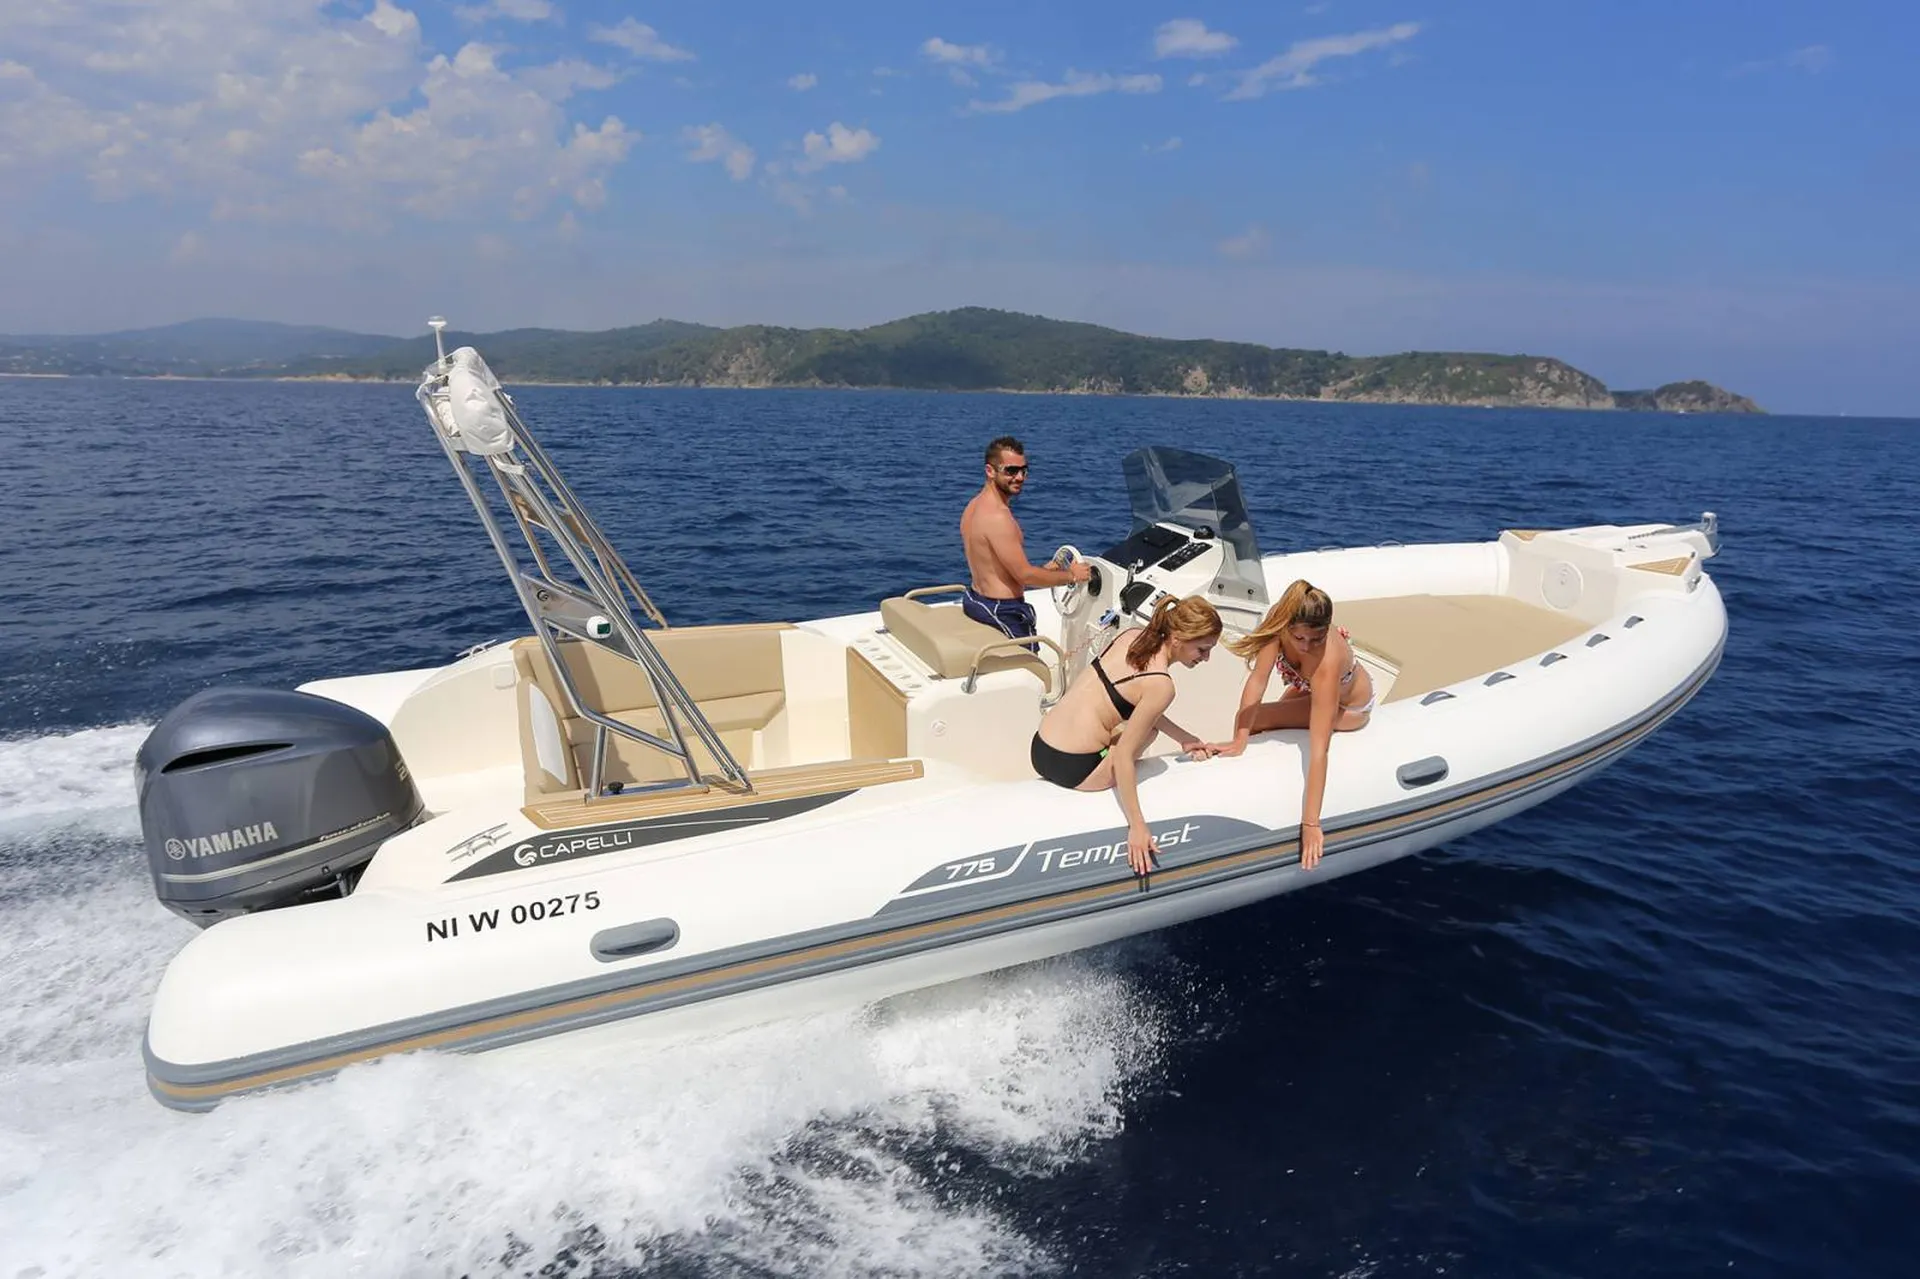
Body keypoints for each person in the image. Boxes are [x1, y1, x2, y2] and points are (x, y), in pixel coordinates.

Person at [1030, 595, 1223, 876]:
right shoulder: (1162, 685)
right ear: (1178, 639)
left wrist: (1184, 738)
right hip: (1076, 769)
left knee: (1131, 721)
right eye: (1203, 649)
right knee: (1147, 732)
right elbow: (1123, 755)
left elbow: (1135, 703)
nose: (1206, 658)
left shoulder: (1132, 637)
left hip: (1040, 748)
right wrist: (1137, 826)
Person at [1206, 580, 1374, 873]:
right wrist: (1239, 739)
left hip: (1349, 708)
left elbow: (1319, 750)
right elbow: (1258, 680)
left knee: (1262, 719)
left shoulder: (1326, 663)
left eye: (1316, 639)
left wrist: (1311, 823)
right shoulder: (1279, 619)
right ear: (1287, 626)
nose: (1306, 646)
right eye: (1299, 638)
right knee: (1249, 720)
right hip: (1307, 688)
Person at [959, 435, 1091, 638]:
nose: (1020, 477)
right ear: (990, 471)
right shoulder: (998, 517)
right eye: (1011, 470)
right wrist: (1072, 575)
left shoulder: (973, 506)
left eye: (1024, 470)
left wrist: (1048, 570)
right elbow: (1025, 576)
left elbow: (997, 569)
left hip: (977, 600)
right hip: (1003, 613)